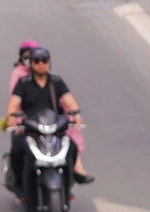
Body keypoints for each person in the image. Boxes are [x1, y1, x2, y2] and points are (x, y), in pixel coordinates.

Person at [6, 47, 94, 188]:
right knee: (16, 150)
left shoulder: (57, 82)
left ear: (49, 63)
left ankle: (69, 180)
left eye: (44, 61)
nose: (41, 64)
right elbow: (13, 103)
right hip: (31, 128)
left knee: (72, 148)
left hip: (54, 127)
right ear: (31, 64)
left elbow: (69, 101)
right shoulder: (23, 83)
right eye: (37, 61)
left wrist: (76, 115)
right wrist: (11, 117)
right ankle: (18, 183)